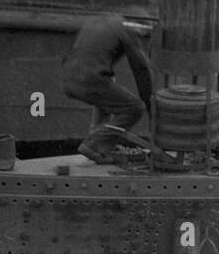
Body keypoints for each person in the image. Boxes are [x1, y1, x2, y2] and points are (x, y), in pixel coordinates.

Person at [59, 14, 154, 163]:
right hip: (89, 80)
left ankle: (104, 145)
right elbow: (141, 69)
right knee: (134, 108)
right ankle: (94, 143)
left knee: (107, 91)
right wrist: (150, 106)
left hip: (67, 79)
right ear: (138, 25)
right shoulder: (127, 28)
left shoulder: (97, 21)